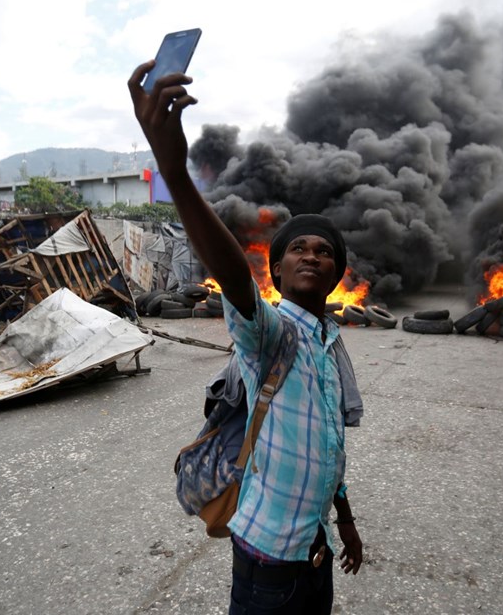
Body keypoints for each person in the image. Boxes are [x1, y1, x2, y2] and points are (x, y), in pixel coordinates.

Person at [128, 61, 364, 614]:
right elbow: (234, 280)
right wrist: (176, 174)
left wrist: (346, 521)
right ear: (276, 272)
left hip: (316, 551)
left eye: (324, 251)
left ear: (336, 274)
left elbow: (330, 447)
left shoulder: (331, 345)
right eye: (297, 249)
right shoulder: (271, 334)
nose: (312, 254)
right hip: (266, 560)